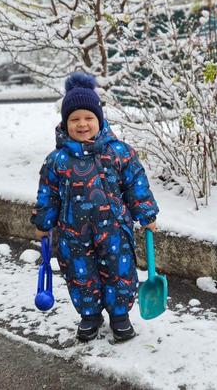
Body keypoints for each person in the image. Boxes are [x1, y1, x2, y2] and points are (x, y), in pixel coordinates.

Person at [31, 72, 159, 342]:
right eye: (74, 119)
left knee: (119, 272)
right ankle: (89, 316)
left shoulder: (119, 152)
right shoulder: (57, 160)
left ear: (99, 120)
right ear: (65, 123)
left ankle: (120, 315)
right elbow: (48, 195)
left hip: (114, 230)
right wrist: (44, 225)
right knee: (80, 275)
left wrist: (146, 214)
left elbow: (136, 184)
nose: (82, 124)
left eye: (88, 118)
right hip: (72, 233)